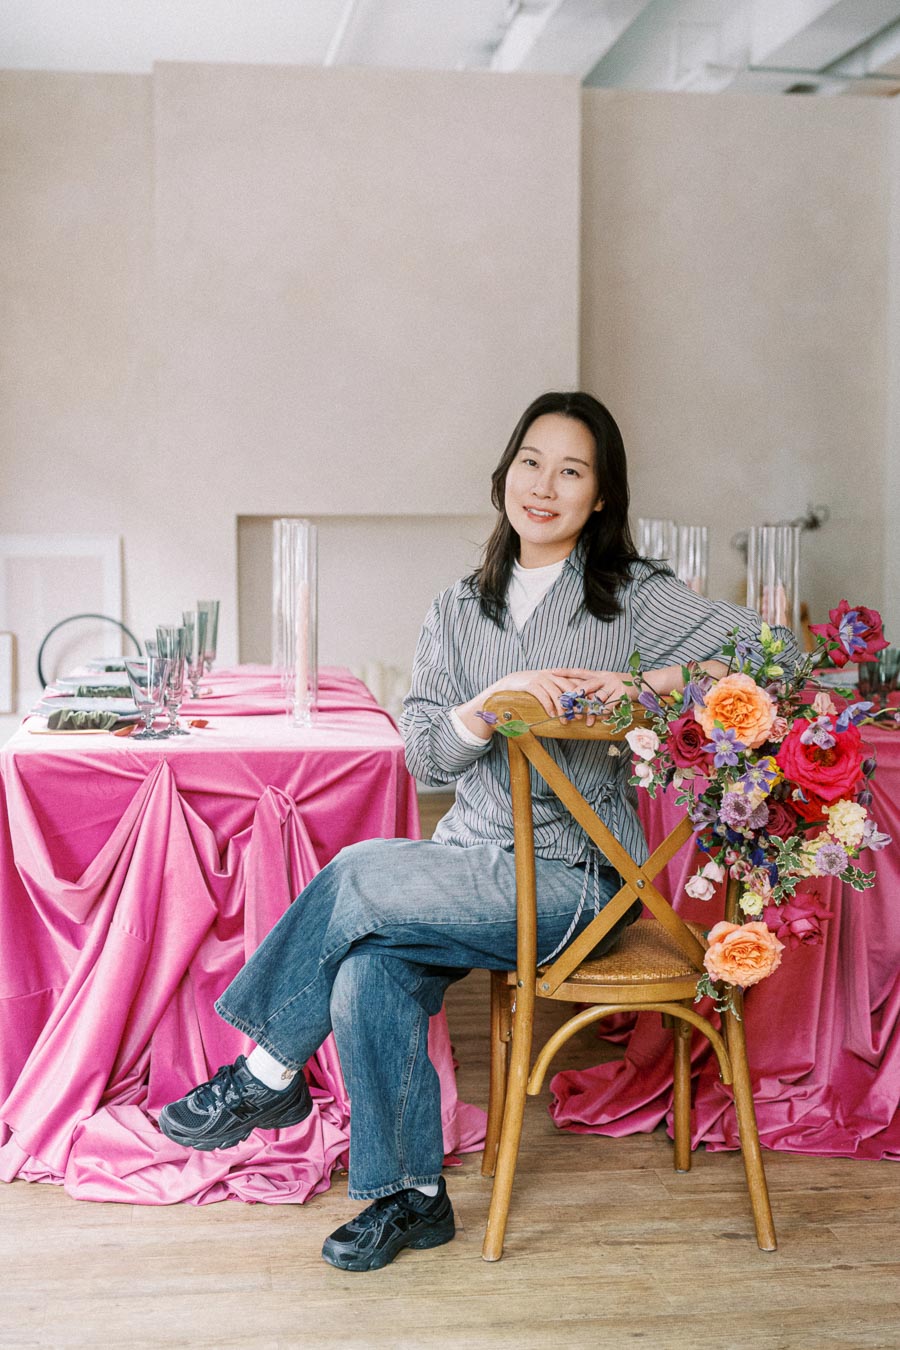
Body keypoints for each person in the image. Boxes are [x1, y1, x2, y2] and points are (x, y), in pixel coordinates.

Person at [159, 390, 797, 1272]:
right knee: (365, 970)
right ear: (505, 475)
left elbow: (782, 659)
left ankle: (265, 1076)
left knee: (352, 873)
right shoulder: (458, 610)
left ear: (601, 495)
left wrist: (646, 689)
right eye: (531, 462)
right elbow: (425, 759)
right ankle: (410, 1198)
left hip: (581, 880)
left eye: (572, 471)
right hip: (469, 866)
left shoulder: (634, 601)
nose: (545, 486)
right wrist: (483, 711)